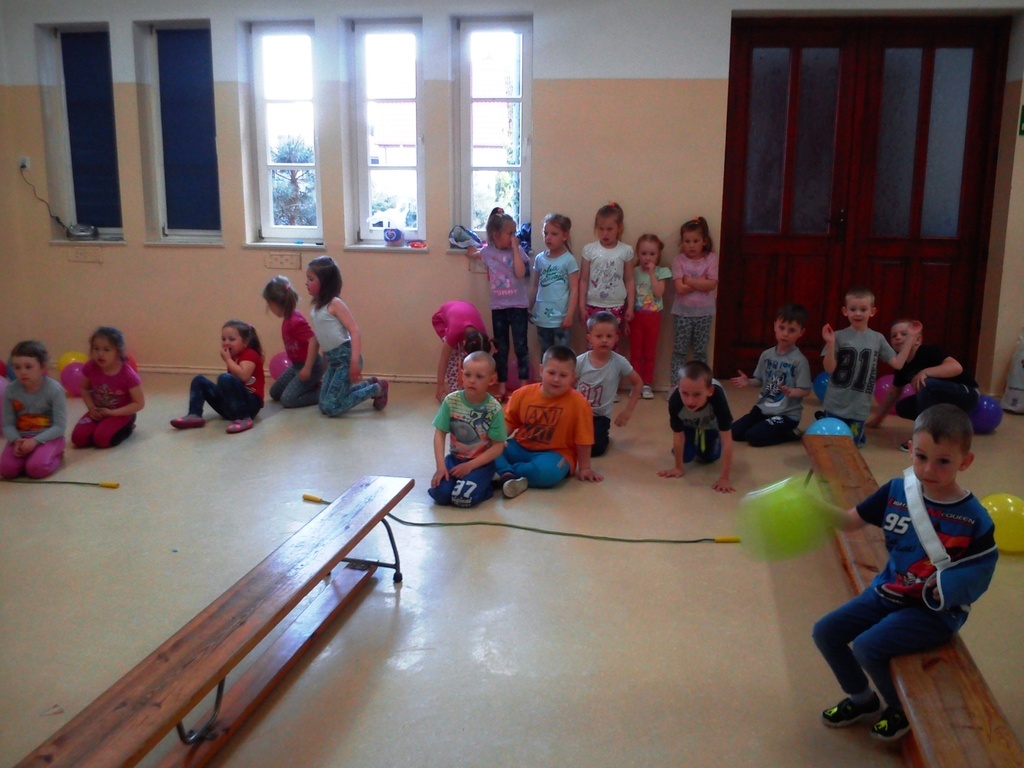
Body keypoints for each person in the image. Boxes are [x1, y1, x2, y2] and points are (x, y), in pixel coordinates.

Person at [813, 404, 998, 743]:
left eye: (943, 461)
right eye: (921, 456)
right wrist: (812, 507)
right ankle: (862, 699)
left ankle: (899, 708)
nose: (928, 469)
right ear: (910, 449)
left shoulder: (974, 518)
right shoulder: (896, 492)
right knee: (825, 632)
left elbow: (982, 569)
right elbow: (850, 521)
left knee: (867, 647)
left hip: (934, 611)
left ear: (965, 461)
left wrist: (949, 587)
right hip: (889, 590)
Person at [495, 344, 601, 498]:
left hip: (556, 454)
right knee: (487, 447)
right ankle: (508, 475)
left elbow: (583, 439)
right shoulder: (521, 394)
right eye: (551, 373)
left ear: (573, 377)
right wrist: (498, 441)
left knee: (547, 473)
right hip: (519, 447)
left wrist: (585, 468)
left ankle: (504, 472)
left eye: (563, 375)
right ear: (541, 370)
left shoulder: (580, 404)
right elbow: (508, 422)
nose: (556, 379)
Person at [866, 318, 980, 451]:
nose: (898, 337)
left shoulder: (928, 351)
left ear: (918, 340)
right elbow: (894, 392)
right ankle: (941, 429)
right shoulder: (902, 364)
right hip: (944, 402)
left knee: (926, 383)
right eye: (894, 336)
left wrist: (926, 372)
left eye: (904, 334)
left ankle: (923, 437)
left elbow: (956, 367)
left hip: (967, 394)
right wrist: (878, 419)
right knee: (903, 406)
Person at [820, 286, 914, 446]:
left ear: (872, 311)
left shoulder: (877, 339)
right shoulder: (837, 336)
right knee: (833, 443)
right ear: (845, 311)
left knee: (851, 446)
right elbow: (829, 368)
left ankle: (860, 436)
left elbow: (898, 364)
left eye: (863, 309)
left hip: (859, 406)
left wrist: (910, 339)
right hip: (836, 402)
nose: (858, 313)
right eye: (853, 309)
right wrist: (830, 344)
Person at [304, 256, 389, 416]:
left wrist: (354, 362)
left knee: (331, 407)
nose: (306, 283)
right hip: (333, 362)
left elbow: (354, 331)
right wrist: (311, 366)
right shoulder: (316, 309)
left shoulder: (335, 304)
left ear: (325, 282)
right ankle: (369, 383)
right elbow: (317, 338)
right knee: (323, 404)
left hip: (345, 359)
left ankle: (377, 388)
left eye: (311, 279)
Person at [429, 351, 507, 508]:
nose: (472, 381)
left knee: (462, 498)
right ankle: (470, 483)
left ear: (492, 380)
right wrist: (441, 467)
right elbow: (439, 433)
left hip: (480, 464)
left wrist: (470, 466)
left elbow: (498, 446)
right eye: (468, 375)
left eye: (479, 377)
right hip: (454, 460)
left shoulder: (494, 408)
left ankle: (488, 486)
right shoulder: (451, 401)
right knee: (440, 495)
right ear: (461, 375)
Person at [467, 207, 531, 400]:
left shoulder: (517, 251)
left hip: (518, 306)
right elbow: (476, 254)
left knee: (521, 347)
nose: (513, 236)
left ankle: (523, 387)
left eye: (514, 232)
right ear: (496, 235)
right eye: (510, 233)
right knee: (501, 348)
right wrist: (470, 252)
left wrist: (515, 249)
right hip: (498, 307)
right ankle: (502, 386)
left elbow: (520, 273)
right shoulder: (488, 252)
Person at [730, 303, 812, 446]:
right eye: (782, 328)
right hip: (762, 409)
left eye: (792, 330)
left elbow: (806, 390)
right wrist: (748, 382)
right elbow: (760, 380)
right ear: (775, 326)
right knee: (734, 432)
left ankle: (790, 433)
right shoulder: (766, 355)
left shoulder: (800, 361)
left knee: (753, 437)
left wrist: (792, 391)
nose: (785, 334)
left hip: (786, 415)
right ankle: (765, 424)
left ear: (801, 332)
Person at [170, 320, 266, 433]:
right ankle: (194, 414)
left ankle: (243, 418)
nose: (226, 343)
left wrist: (228, 360)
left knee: (224, 378)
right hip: (230, 406)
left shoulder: (250, 354)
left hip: (250, 406)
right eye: (223, 339)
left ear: (245, 342)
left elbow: (244, 376)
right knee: (199, 380)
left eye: (231, 339)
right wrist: (229, 360)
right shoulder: (234, 356)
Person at [658, 360, 735, 493]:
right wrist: (678, 468)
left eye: (697, 394)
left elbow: (727, 441)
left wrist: (724, 478)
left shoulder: (718, 399)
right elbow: (678, 437)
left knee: (710, 457)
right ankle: (693, 436)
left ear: (710, 391)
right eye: (685, 393)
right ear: (678, 388)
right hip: (689, 423)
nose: (690, 401)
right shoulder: (675, 401)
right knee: (686, 456)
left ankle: (703, 438)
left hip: (710, 424)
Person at [575, 311, 643, 456]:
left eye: (609, 336)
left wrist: (628, 411)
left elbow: (638, 383)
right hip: (579, 413)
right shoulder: (580, 361)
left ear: (616, 338)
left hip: (600, 416)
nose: (604, 340)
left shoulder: (619, 362)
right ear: (589, 338)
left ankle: (601, 437)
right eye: (599, 336)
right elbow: (568, 385)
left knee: (595, 450)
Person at [2, 340, 67, 479]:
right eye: (17, 367)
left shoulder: (54, 390)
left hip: (48, 437)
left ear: (42, 366)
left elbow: (59, 426)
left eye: (28, 367)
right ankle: (30, 458)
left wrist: (35, 441)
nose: (22, 372)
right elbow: (7, 424)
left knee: (36, 469)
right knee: (6, 470)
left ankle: (57, 452)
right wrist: (16, 440)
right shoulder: (11, 390)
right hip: (22, 437)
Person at [72, 326, 145, 449]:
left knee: (102, 440)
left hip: (121, 413)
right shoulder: (90, 366)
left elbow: (139, 403)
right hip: (99, 412)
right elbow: (84, 389)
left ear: (118, 352)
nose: (100, 354)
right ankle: (102, 429)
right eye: (96, 348)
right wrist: (91, 408)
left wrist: (112, 413)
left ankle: (128, 426)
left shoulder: (128, 375)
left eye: (107, 350)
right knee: (78, 439)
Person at [670, 216, 718, 388]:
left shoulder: (711, 258)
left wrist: (689, 280)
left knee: (700, 352)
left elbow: (711, 284)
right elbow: (679, 288)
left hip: (704, 312)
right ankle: (676, 386)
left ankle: (701, 386)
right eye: (687, 241)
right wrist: (700, 282)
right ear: (682, 242)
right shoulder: (678, 260)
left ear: (704, 241)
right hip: (682, 312)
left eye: (695, 241)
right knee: (680, 351)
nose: (691, 245)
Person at [263, 275, 323, 408]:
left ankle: (324, 392)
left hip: (311, 366)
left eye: (269, 304)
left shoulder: (295, 321)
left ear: (275, 303)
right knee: (275, 393)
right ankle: (312, 386)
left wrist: (307, 368)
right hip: (296, 366)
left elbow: (314, 340)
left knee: (288, 400)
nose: (269, 308)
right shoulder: (288, 319)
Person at [578, 202, 635, 334]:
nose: (605, 233)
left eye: (609, 229)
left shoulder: (626, 250)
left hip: (616, 305)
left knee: (612, 340)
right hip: (593, 304)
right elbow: (583, 280)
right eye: (601, 229)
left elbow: (629, 280)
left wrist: (630, 306)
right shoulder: (589, 250)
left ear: (619, 227)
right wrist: (581, 306)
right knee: (594, 340)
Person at [629, 233, 672, 399]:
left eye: (652, 254)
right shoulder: (633, 272)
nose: (647, 258)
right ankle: (636, 383)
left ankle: (647, 383)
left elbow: (658, 293)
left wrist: (652, 273)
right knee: (635, 352)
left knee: (649, 352)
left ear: (658, 254)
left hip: (653, 317)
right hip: (636, 316)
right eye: (643, 253)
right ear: (638, 254)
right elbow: (629, 296)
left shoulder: (662, 272)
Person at [531, 213, 579, 358]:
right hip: (542, 318)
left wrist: (569, 315)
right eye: (546, 233)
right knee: (545, 355)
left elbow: (574, 289)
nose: (548, 237)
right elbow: (535, 286)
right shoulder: (539, 259)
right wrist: (529, 307)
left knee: (562, 356)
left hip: (560, 319)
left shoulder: (569, 260)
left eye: (554, 234)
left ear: (564, 236)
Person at [432, 300, 490, 403]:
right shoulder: (454, 332)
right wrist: (440, 385)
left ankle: (466, 385)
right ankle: (454, 390)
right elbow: (444, 359)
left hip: (462, 312)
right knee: (453, 356)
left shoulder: (482, 334)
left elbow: (486, 361)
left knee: (469, 360)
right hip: (441, 319)